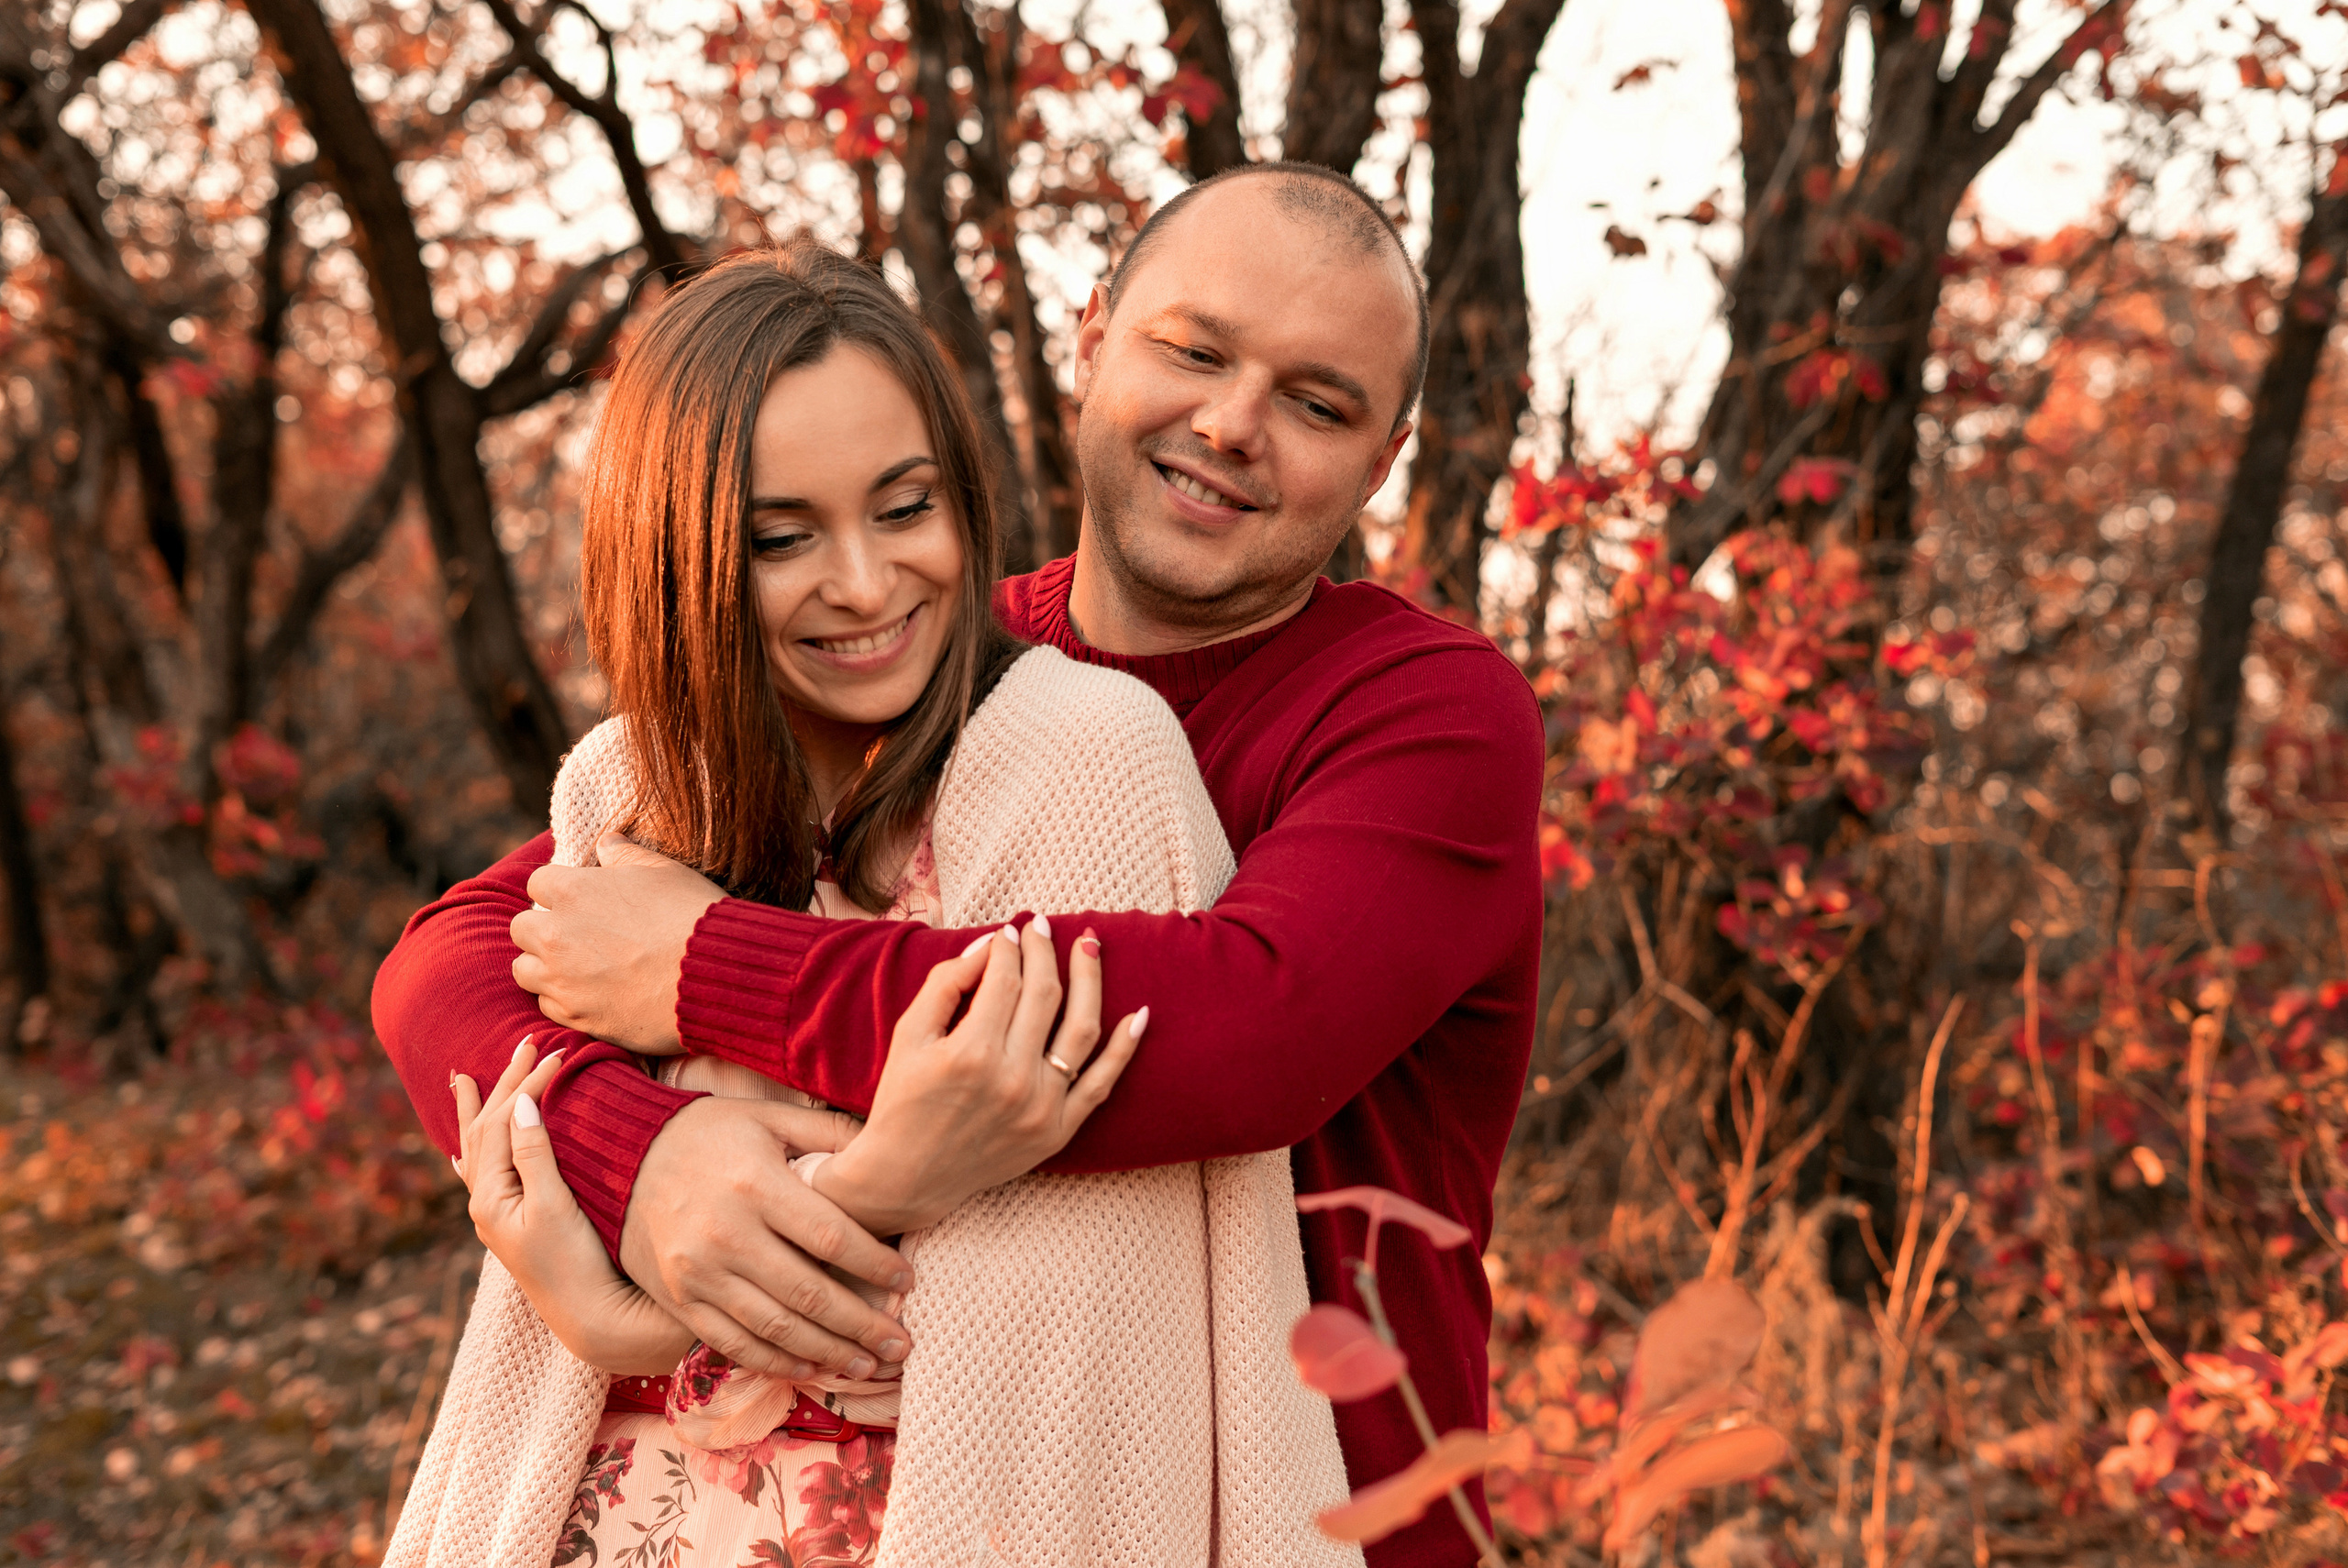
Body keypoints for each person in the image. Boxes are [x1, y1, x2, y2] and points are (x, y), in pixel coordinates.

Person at [374, 161, 1545, 1567]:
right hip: (940, 1489)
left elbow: (1236, 1035)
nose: (1233, 424)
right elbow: (463, 955)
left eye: (1316, 401)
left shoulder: (1424, 705)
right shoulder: (911, 644)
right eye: (1195, 350)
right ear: (1095, 334)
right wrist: (647, 1157)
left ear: (1384, 455)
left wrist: (695, 966)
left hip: (1333, 1502)